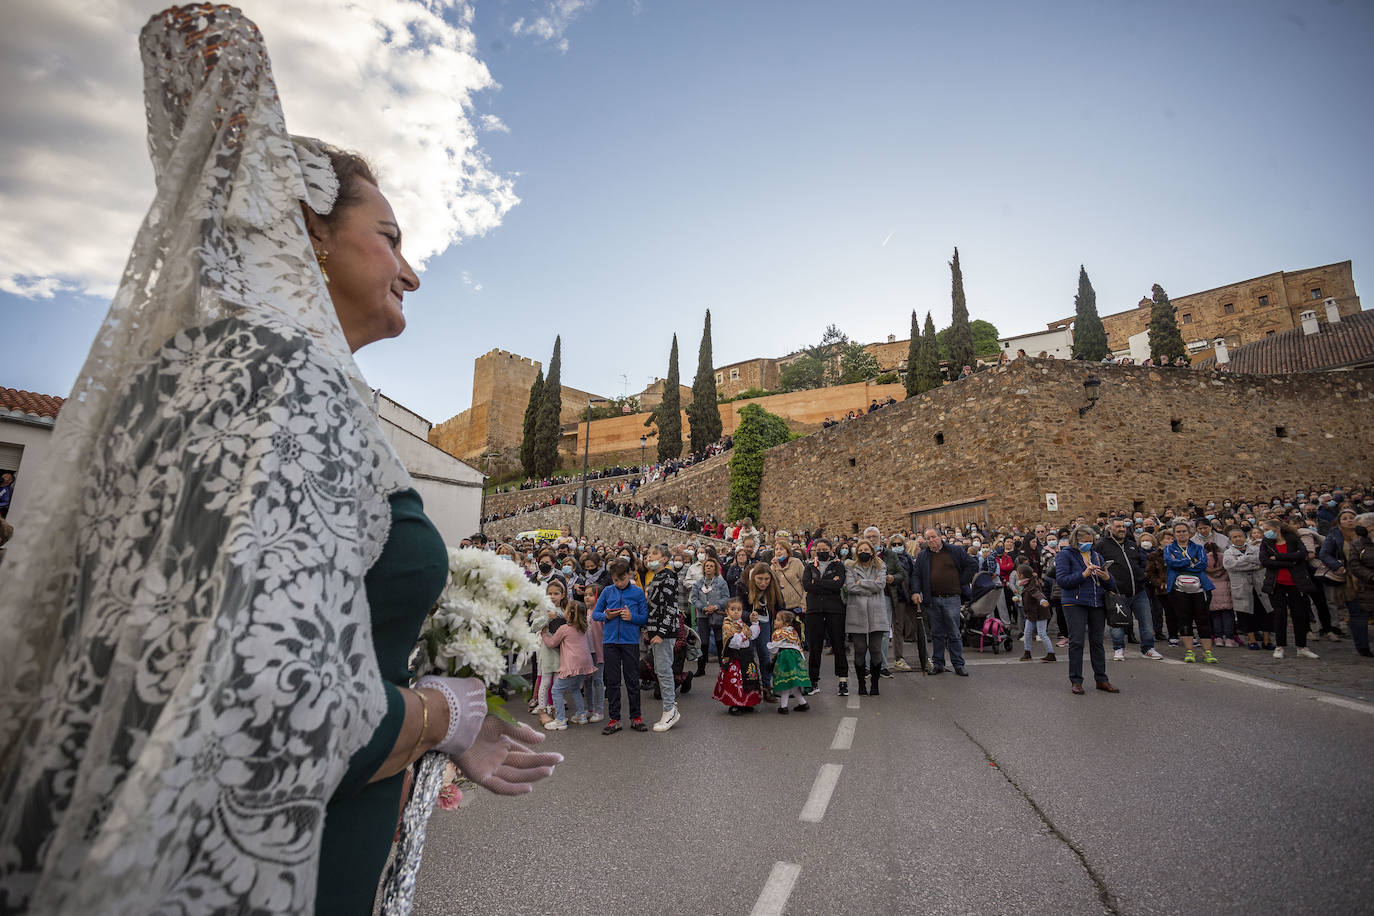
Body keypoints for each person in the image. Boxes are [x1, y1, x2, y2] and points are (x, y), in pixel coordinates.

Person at [0, 10, 562, 914]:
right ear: (309, 233)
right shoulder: (281, 377)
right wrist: (439, 714)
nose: (411, 271)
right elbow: (269, 701)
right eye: (390, 235)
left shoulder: (221, 374)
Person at [1055, 524, 1120, 694]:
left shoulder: (1097, 556)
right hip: (1074, 602)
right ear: (1076, 540)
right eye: (1085, 542)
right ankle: (1076, 681)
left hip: (1096, 602)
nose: (1089, 544)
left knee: (1097, 642)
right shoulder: (1065, 555)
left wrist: (1107, 577)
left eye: (1091, 542)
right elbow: (1062, 581)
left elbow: (1111, 584)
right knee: (1076, 642)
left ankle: (1101, 679)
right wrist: (1084, 574)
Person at [591, 558, 650, 733]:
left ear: (629, 575)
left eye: (621, 579)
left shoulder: (638, 592)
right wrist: (606, 617)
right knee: (612, 681)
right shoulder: (608, 591)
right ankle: (614, 719)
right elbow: (595, 614)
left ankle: (636, 717)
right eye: (615, 580)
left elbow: (644, 618)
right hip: (610, 641)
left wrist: (632, 618)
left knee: (632, 680)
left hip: (630, 641)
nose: (618, 583)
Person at [913, 528, 978, 677]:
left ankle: (958, 664)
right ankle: (938, 663)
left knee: (954, 632)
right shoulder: (923, 556)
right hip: (933, 599)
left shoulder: (955, 551)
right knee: (937, 633)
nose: (931, 540)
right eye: (928, 538)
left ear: (940, 537)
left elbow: (972, 565)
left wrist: (960, 581)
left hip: (952, 598)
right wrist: (916, 591)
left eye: (933, 537)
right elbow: (916, 575)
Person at [1098, 517, 1163, 661]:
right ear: (1110, 529)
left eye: (1123, 526)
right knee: (1117, 623)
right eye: (1118, 526)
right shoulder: (1102, 546)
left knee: (1146, 622)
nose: (1121, 529)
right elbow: (1098, 565)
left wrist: (1142, 575)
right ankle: (1118, 648)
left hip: (1139, 591)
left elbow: (1142, 563)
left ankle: (1148, 648)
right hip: (1117, 593)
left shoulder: (1132, 545)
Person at [1259, 519, 1319, 660]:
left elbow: (1302, 555)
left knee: (1299, 615)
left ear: (1277, 528)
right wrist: (1290, 562)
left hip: (1296, 582)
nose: (1265, 532)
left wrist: (1278, 557)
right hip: (1276, 583)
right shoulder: (1266, 542)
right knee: (1279, 616)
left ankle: (1302, 646)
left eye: (1267, 528)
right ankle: (1280, 646)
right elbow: (1265, 561)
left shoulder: (1293, 539)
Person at [1164, 521, 1219, 664]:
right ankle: (1190, 651)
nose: (1181, 534)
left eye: (1184, 531)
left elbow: (1202, 564)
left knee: (1203, 620)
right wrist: (1190, 562)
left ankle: (1208, 652)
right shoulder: (1169, 548)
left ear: (1189, 533)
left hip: (1200, 588)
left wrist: (1182, 563)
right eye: (1178, 532)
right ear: (1174, 534)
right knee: (1184, 619)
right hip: (1178, 588)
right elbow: (1170, 563)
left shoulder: (1198, 547)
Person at [802, 537, 850, 696]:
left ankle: (843, 680)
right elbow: (807, 585)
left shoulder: (838, 566)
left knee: (838, 645)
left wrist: (818, 582)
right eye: (818, 549)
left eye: (824, 549)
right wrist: (827, 583)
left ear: (830, 550)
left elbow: (838, 584)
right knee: (815, 647)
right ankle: (813, 680)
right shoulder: (809, 566)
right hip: (814, 610)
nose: (821, 552)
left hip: (834, 610)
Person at [643, 545, 682, 732]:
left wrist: (660, 632)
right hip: (654, 629)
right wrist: (649, 630)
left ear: (665, 558)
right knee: (660, 669)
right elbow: (653, 607)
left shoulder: (668, 577)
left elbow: (670, 608)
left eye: (655, 554)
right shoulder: (656, 577)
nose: (650, 557)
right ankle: (670, 706)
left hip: (664, 632)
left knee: (664, 670)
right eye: (649, 554)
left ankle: (669, 711)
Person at [540, 599, 596, 730]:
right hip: (585, 664)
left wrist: (543, 634)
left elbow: (551, 643)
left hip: (571, 665)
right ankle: (581, 715)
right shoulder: (583, 627)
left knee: (556, 690)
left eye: (565, 609)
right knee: (575, 688)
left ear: (569, 614)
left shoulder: (564, 629)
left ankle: (560, 720)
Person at [845, 543, 889, 696]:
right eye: (860, 550)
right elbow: (850, 587)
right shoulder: (850, 567)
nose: (864, 552)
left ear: (872, 551)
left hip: (876, 611)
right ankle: (861, 684)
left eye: (866, 550)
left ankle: (875, 684)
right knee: (860, 649)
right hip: (857, 611)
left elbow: (881, 585)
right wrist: (871, 587)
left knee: (876, 649)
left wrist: (861, 583)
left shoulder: (880, 565)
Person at [713, 598, 763, 715]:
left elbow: (752, 635)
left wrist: (755, 623)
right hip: (734, 657)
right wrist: (742, 635)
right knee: (736, 680)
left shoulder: (742, 624)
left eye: (739, 609)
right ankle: (735, 704)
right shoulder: (727, 625)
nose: (736, 612)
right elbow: (733, 643)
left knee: (749, 677)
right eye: (733, 609)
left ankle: (747, 702)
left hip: (746, 656)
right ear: (727, 611)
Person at [1223, 527, 1269, 649]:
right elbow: (1231, 565)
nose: (1238, 539)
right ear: (1231, 539)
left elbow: (1261, 561)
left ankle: (1267, 640)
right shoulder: (1228, 552)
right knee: (1246, 614)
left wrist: (1242, 561)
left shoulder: (1255, 549)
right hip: (1242, 587)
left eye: (1240, 536)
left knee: (1265, 612)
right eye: (1235, 537)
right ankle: (1251, 640)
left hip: (1258, 586)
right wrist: (1249, 561)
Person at [745, 562, 785, 699]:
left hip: (765, 623)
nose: (763, 583)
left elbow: (781, 606)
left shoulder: (773, 588)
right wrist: (747, 616)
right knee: (748, 655)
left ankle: (767, 686)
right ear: (754, 577)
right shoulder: (743, 585)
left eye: (766, 579)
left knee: (764, 654)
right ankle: (750, 688)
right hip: (747, 626)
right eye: (760, 579)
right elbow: (736, 605)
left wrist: (782, 623)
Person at [691, 556, 730, 677]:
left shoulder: (721, 582)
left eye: (711, 566)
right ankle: (701, 668)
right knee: (703, 642)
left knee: (719, 641)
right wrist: (703, 608)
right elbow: (694, 598)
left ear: (715, 569)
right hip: (703, 615)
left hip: (717, 615)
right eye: (706, 566)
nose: (708, 568)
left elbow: (726, 597)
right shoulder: (698, 583)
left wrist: (716, 606)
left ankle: (723, 667)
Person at [768, 611, 812, 713]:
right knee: (793, 682)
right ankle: (803, 703)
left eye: (778, 620)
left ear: (786, 623)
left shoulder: (777, 633)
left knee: (786, 682)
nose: (775, 621)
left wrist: (769, 647)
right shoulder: (793, 631)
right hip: (796, 658)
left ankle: (784, 707)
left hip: (785, 658)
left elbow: (774, 649)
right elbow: (798, 646)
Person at [1016, 562, 1056, 662]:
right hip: (1032, 613)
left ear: (1022, 575)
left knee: (1042, 633)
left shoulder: (1031, 585)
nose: (1017, 575)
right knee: (1027, 632)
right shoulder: (1027, 583)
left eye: (1018, 573)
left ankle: (1051, 654)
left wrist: (1043, 600)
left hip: (1040, 613)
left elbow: (1037, 593)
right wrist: (1020, 600)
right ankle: (1027, 653)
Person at [1346, 516, 1374, 658]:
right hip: (1364, 586)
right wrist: (1370, 576)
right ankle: (1363, 647)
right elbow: (1355, 565)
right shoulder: (1357, 544)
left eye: (1361, 525)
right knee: (1360, 618)